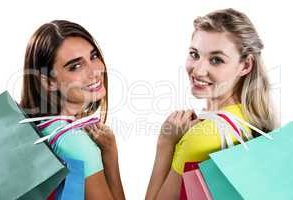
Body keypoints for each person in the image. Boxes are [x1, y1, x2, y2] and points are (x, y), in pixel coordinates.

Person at [146, 8, 278, 199]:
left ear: (246, 65)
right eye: (194, 54)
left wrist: (165, 143)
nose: (198, 70)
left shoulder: (199, 137)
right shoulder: (251, 120)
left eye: (216, 60)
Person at [20, 20, 125, 200]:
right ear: (49, 82)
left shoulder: (34, 130)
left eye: (93, 57)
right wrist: (111, 156)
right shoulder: (76, 143)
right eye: (75, 66)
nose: (94, 71)